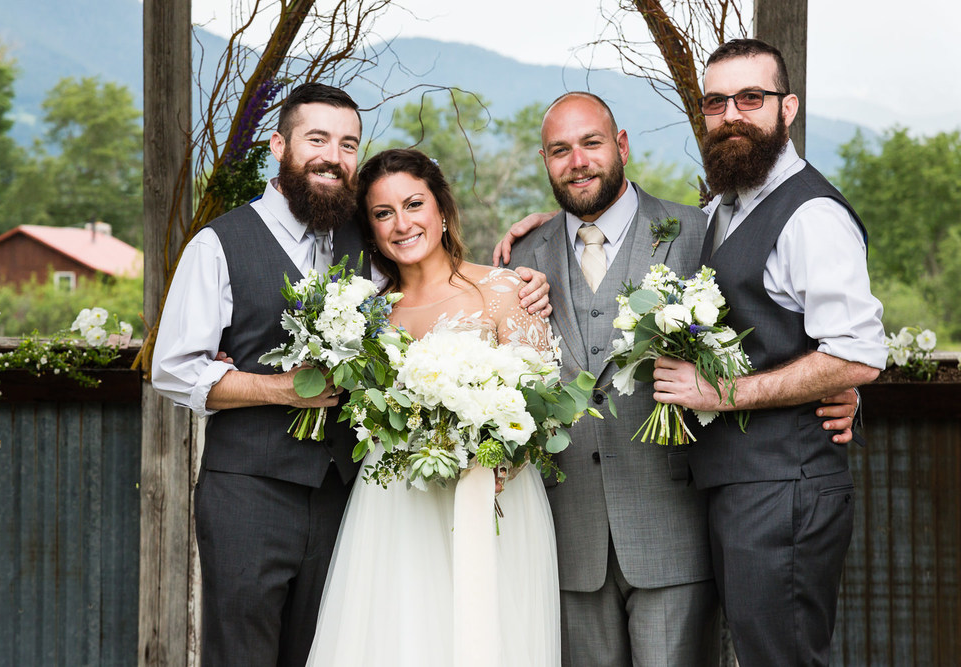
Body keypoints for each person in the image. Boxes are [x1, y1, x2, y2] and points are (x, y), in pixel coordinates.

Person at [152, 82, 552, 665]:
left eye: (347, 144)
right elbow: (172, 370)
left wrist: (537, 243)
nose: (332, 156)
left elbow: (436, 275)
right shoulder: (219, 244)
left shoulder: (362, 248)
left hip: (347, 495)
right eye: (317, 139)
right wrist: (279, 388)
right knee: (240, 651)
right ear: (277, 145)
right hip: (251, 491)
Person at [495, 91, 859, 666]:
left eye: (591, 143)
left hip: (675, 526)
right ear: (545, 160)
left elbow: (780, 330)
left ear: (620, 146)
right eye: (559, 150)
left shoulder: (700, 231)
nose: (577, 161)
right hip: (568, 537)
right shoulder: (520, 257)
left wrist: (844, 385)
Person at [650, 39, 886, 666]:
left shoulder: (811, 215)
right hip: (742, 486)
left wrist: (717, 394)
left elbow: (857, 352)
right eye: (716, 102)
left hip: (786, 488)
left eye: (750, 98)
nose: (732, 115)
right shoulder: (722, 209)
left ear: (788, 109)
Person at [306, 148, 560, 666]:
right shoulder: (369, 317)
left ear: (442, 211)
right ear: (371, 228)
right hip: (395, 504)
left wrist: (492, 458)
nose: (402, 224)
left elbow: (543, 406)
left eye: (414, 204)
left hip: (490, 494)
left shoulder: (506, 291)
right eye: (383, 213)